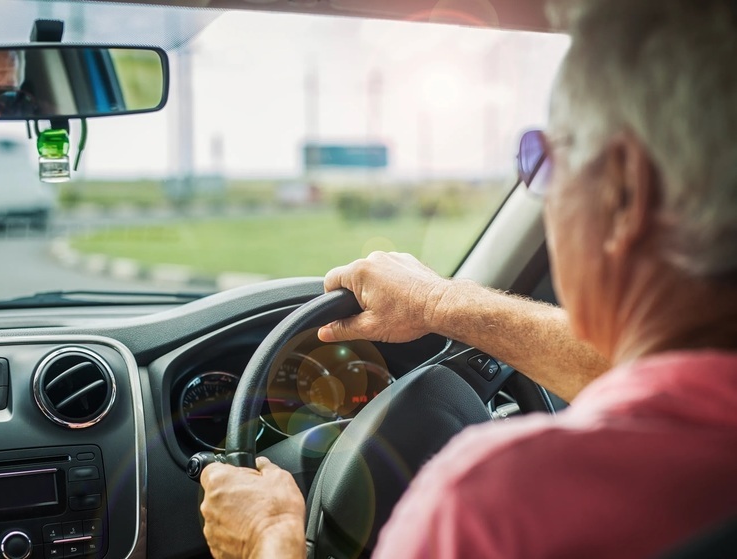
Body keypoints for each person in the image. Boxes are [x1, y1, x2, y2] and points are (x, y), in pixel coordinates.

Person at [199, 0, 737, 557]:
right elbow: (649, 371)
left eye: (546, 159)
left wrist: (269, 537)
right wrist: (435, 302)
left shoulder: (494, 508)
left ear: (622, 193)